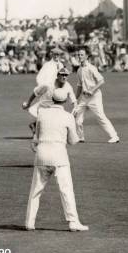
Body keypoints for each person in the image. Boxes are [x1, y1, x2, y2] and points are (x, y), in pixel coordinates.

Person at [25, 88, 88, 232]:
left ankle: (29, 222)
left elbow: (38, 135)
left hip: (41, 154)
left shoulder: (42, 114)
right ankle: (73, 222)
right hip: (59, 157)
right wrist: (74, 126)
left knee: (35, 191)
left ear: (52, 99)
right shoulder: (67, 116)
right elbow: (73, 141)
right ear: (65, 101)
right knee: (66, 190)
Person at [73, 48, 120, 143]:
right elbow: (79, 86)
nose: (79, 56)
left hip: (95, 96)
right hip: (84, 97)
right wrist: (75, 99)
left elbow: (101, 81)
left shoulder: (91, 68)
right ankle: (80, 137)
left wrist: (92, 90)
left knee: (100, 116)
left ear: (86, 56)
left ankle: (114, 136)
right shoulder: (79, 70)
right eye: (78, 55)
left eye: (82, 55)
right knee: (77, 118)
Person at [22, 67, 77, 136]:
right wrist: (28, 103)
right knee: (44, 130)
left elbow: (73, 100)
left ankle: (35, 125)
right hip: (43, 107)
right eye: (62, 75)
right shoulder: (48, 84)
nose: (64, 77)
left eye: (66, 75)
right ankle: (36, 129)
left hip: (56, 108)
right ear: (58, 75)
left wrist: (75, 108)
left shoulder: (68, 87)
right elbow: (35, 93)